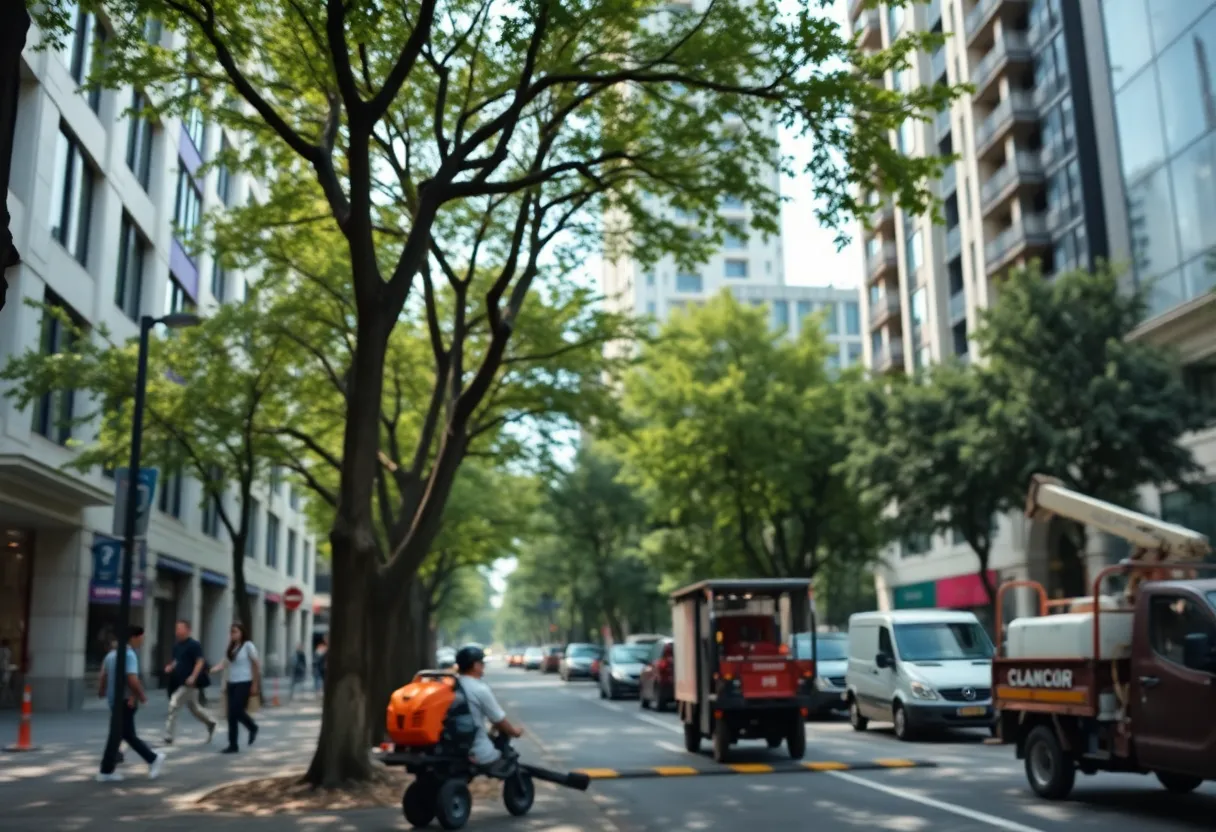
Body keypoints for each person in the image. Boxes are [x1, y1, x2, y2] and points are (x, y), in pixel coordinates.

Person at [97, 626, 165, 782]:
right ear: (133, 637)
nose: (142, 641)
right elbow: (132, 679)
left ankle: (106, 770)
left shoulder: (111, 655)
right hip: (126, 701)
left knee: (119, 734)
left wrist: (102, 691)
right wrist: (142, 696)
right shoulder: (129, 655)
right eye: (141, 637)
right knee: (124, 734)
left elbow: (103, 676)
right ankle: (153, 758)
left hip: (116, 701)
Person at [453, 644, 522, 776]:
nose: (483, 666)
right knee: (505, 755)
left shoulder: (452, 685)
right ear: (475, 665)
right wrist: (515, 732)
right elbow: (499, 720)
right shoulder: (479, 689)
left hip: (453, 745)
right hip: (477, 751)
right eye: (481, 663)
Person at [163, 619, 217, 744]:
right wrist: (171, 667)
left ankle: (169, 735)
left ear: (188, 630)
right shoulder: (176, 646)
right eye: (176, 629)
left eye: (180, 628)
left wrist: (193, 676)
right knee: (194, 708)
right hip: (180, 681)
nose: (177, 631)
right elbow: (177, 660)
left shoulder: (194, 645)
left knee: (174, 703)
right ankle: (210, 723)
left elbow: (200, 661)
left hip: (190, 683)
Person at [211, 622, 260, 753]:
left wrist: (255, 684)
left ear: (242, 632)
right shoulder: (232, 647)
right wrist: (215, 668)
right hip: (232, 682)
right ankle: (233, 745)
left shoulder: (248, 645)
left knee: (237, 710)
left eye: (235, 631)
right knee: (231, 715)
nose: (233, 634)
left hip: (244, 682)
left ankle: (252, 727)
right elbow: (225, 662)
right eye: (231, 632)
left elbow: (256, 664)